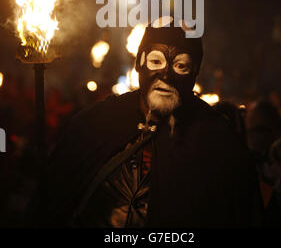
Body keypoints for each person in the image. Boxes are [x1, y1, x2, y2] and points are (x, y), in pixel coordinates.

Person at [37, 17, 263, 228]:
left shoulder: (218, 143)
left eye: (180, 66)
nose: (166, 76)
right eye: (156, 61)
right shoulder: (96, 122)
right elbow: (53, 200)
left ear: (195, 73)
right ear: (139, 63)